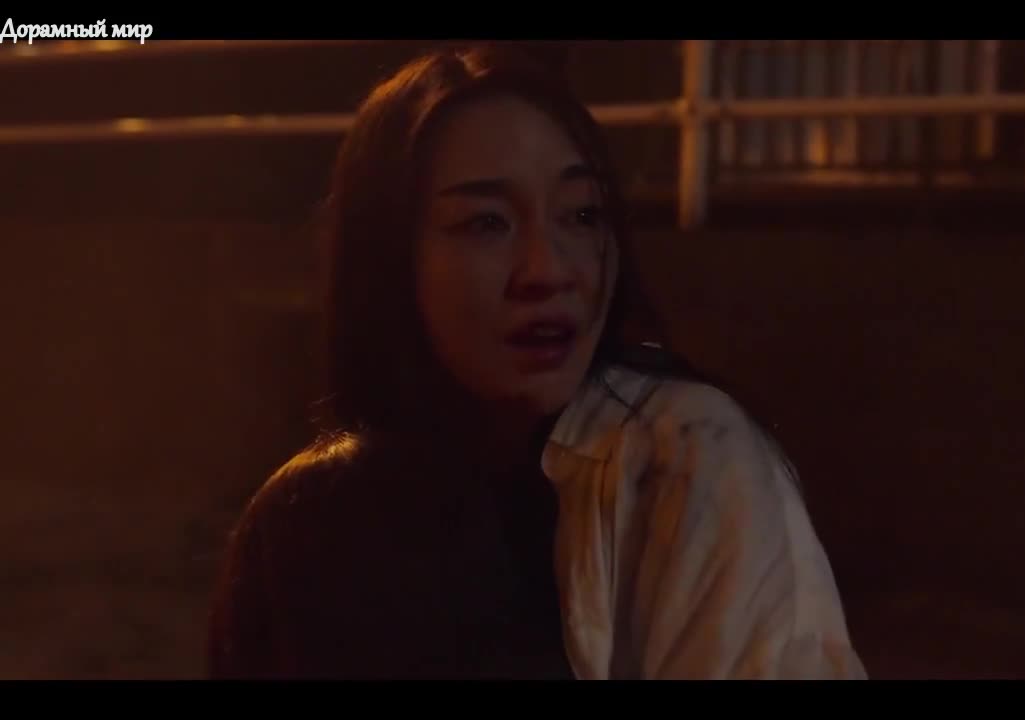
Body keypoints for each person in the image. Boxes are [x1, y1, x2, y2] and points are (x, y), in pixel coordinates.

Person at [206, 43, 865, 680]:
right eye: (486, 223)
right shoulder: (316, 520)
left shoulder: (684, 457)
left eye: (582, 214)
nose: (548, 271)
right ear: (388, 258)